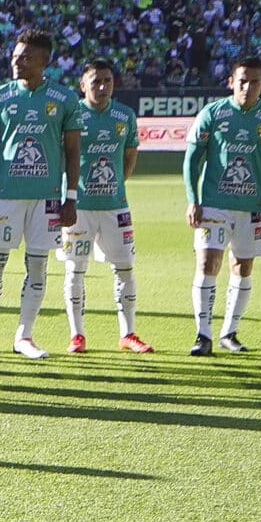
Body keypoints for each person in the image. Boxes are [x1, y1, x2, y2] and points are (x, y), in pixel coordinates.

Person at [0, 30, 81, 360]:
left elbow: (73, 153)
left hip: (46, 199)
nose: (18, 62)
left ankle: (24, 336)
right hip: (7, 197)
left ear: (45, 61)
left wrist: (70, 197)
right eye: (15, 56)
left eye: (26, 57)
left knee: (38, 267)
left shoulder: (64, 99)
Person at [183, 58, 261, 356]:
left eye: (254, 81)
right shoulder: (213, 114)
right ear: (231, 82)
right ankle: (203, 335)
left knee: (243, 266)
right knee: (207, 264)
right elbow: (192, 159)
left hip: (253, 207)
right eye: (242, 80)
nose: (247, 86)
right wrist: (193, 199)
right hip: (214, 204)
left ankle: (229, 333)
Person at [60, 59, 151, 354]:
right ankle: (77, 335)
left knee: (124, 268)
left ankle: (128, 334)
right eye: (96, 81)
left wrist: (115, 185)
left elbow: (130, 155)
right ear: (83, 84)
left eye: (108, 81)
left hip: (115, 207)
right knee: (75, 270)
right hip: (79, 206)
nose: (102, 87)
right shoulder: (71, 115)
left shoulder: (124, 115)